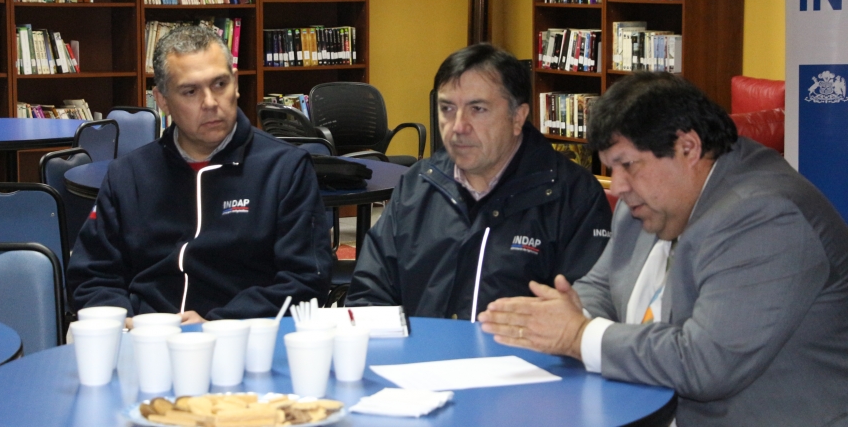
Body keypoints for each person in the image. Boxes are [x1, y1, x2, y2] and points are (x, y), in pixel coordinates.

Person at [479, 72, 848, 426]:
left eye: (627, 165)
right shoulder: (649, 202)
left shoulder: (765, 216)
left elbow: (705, 362)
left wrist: (579, 336)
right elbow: (603, 285)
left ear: (687, 147)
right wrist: (571, 312)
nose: (617, 186)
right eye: (612, 168)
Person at [67, 26, 332, 325]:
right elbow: (91, 275)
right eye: (190, 91)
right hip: (145, 337)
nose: (210, 102)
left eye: (220, 84)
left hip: (243, 339)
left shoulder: (284, 168)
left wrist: (219, 325)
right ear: (162, 100)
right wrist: (124, 320)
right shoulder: (128, 175)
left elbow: (306, 279)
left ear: (236, 84)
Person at [346, 44, 611, 319]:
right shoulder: (417, 185)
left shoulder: (573, 196)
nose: (458, 126)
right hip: (420, 346)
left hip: (520, 348)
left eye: (478, 109)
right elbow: (369, 294)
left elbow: (586, 311)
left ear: (518, 117)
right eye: (447, 108)